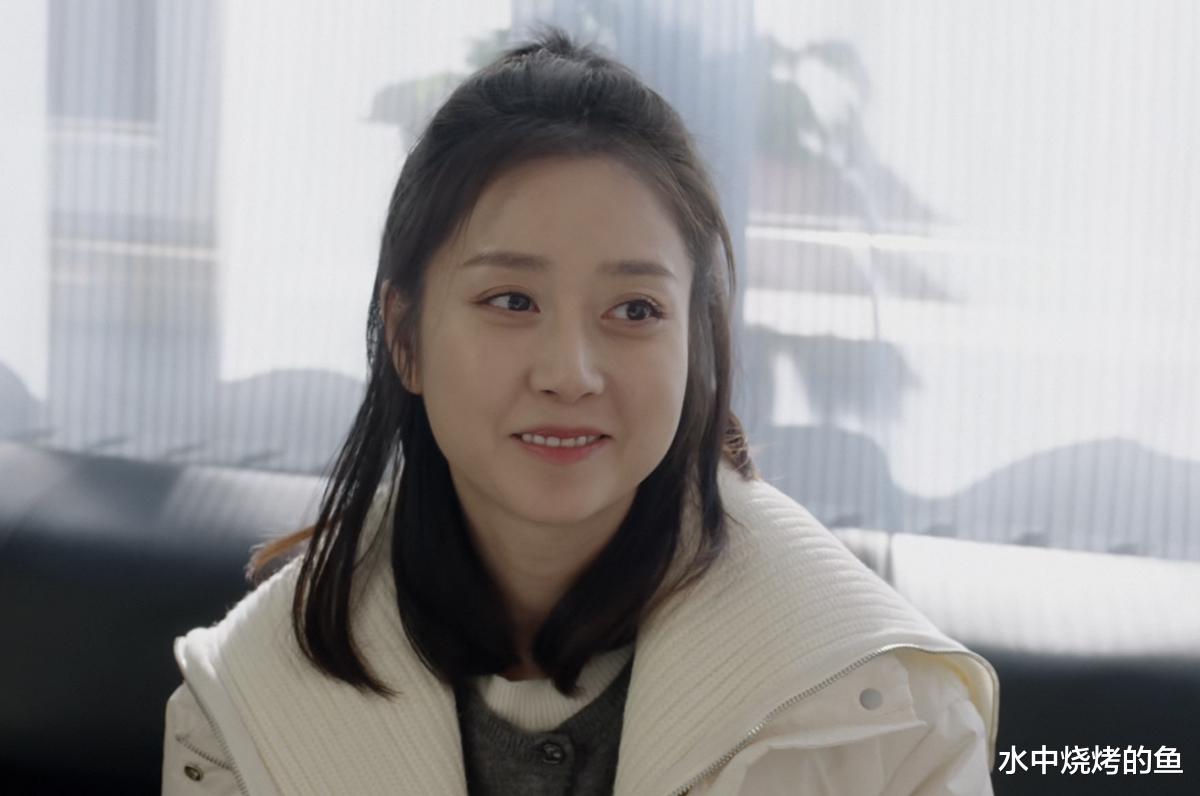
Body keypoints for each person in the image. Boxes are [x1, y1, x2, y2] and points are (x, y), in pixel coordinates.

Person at [162, 25, 998, 796]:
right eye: (511, 300)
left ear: (696, 345)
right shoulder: (239, 712)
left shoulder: (891, 713)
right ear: (406, 337)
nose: (571, 373)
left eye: (634, 310)